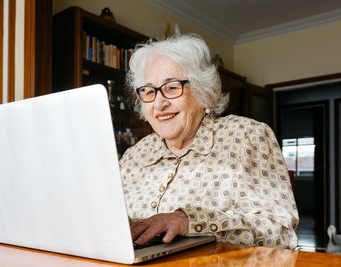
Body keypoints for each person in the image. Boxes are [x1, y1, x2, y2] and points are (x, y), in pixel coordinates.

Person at [119, 34, 299, 249]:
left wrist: (189, 221)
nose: (158, 103)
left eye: (172, 87)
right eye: (149, 91)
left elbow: (280, 232)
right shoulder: (134, 155)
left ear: (202, 91)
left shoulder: (247, 137)